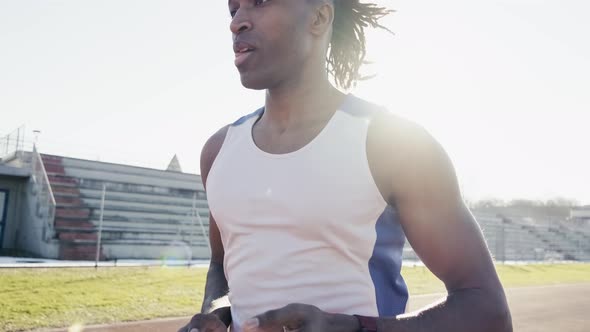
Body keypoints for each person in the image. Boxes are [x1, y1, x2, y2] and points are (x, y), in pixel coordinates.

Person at [180, 0, 512, 331]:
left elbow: (487, 310)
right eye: (233, 8)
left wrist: (355, 328)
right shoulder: (218, 150)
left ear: (319, 17)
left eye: (260, 2)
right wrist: (216, 313)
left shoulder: (391, 143)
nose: (236, 22)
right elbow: (222, 265)